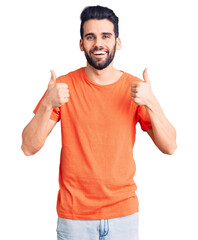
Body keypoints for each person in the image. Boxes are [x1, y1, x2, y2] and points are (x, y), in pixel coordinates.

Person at [21, 5, 177, 240]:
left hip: (123, 215)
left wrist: (151, 102)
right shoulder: (63, 87)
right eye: (90, 37)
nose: (98, 43)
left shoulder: (135, 89)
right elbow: (28, 147)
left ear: (118, 42)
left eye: (106, 36)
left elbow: (170, 146)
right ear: (81, 44)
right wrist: (47, 104)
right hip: (74, 218)